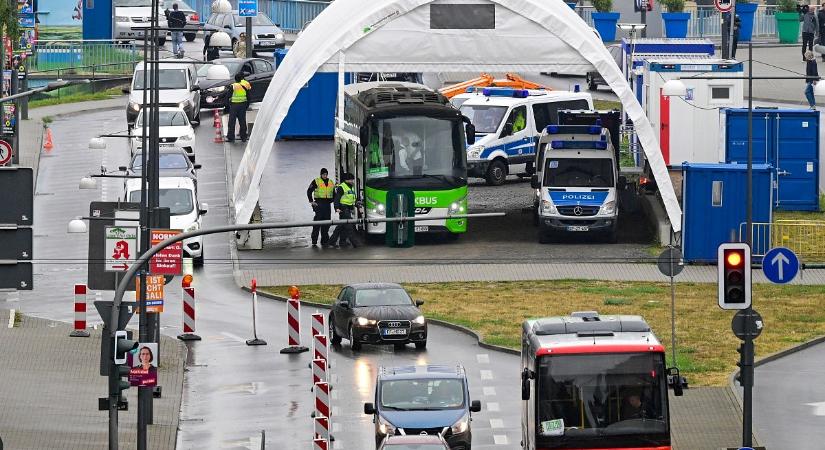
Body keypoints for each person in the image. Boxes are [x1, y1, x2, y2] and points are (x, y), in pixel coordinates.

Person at [328, 173, 359, 248]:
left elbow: (351, 198)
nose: (352, 181)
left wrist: (357, 204)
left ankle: (338, 242)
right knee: (349, 226)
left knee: (341, 226)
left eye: (353, 180)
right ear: (346, 180)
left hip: (348, 208)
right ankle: (355, 243)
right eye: (351, 180)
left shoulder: (350, 187)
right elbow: (337, 198)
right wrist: (336, 208)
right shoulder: (341, 187)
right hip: (343, 208)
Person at [306, 168, 335, 247]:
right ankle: (314, 240)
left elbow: (334, 193)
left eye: (326, 174)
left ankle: (325, 240)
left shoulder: (331, 182)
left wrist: (334, 202)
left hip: (327, 205)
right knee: (317, 223)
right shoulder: (316, 181)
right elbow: (309, 191)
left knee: (327, 223)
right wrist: (311, 201)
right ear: (321, 174)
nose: (325, 176)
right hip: (319, 204)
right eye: (323, 174)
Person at [226, 73, 251, 142]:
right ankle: (243, 137)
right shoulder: (246, 85)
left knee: (231, 122)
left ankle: (231, 137)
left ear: (235, 79)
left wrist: (227, 106)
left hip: (234, 106)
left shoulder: (233, 86)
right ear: (242, 79)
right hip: (243, 105)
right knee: (242, 121)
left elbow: (228, 96)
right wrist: (247, 105)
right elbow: (249, 97)